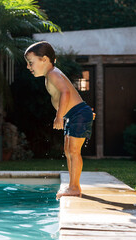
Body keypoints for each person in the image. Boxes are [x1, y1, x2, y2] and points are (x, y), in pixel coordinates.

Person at [24, 41, 95, 199]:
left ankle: (74, 187)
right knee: (68, 151)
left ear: (44, 59)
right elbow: (71, 91)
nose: (29, 67)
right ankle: (72, 185)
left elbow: (65, 93)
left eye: (31, 63)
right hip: (76, 113)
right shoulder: (52, 74)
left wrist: (59, 116)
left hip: (76, 114)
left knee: (74, 151)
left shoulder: (53, 74)